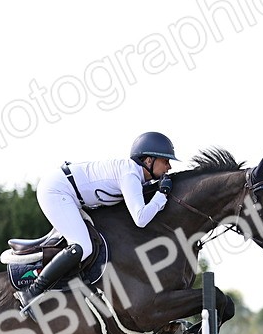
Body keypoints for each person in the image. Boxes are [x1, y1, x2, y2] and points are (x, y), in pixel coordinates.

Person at [16, 131, 178, 313]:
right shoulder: (130, 175)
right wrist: (162, 195)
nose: (169, 167)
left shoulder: (134, 174)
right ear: (149, 160)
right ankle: (31, 292)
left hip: (68, 191)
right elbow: (140, 219)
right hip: (57, 191)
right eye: (165, 161)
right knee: (82, 247)